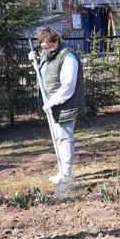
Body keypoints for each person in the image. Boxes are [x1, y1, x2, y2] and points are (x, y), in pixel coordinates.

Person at [31, 27, 85, 186]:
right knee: (58, 138)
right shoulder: (48, 56)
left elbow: (68, 86)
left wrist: (51, 102)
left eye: (47, 43)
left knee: (64, 138)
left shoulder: (68, 57)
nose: (44, 46)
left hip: (65, 104)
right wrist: (35, 61)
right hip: (53, 106)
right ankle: (62, 172)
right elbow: (44, 76)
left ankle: (67, 174)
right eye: (41, 43)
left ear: (56, 41)